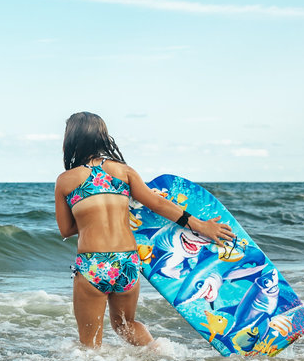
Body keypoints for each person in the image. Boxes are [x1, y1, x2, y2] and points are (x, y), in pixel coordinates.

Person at [54, 112, 232, 347]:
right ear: (101, 137)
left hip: (93, 264)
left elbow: (66, 229)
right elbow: (158, 204)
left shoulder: (66, 180)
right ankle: (159, 355)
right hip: (127, 262)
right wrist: (202, 226)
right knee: (125, 325)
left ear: (71, 140)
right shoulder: (123, 172)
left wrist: (89, 216)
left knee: (90, 343)